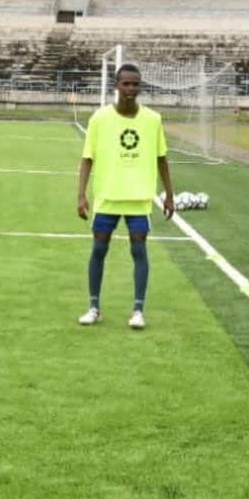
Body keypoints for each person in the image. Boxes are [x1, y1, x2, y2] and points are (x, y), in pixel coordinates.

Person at [76, 63, 175, 330]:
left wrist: (169, 195)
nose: (131, 89)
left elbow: (161, 158)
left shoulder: (153, 119)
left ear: (140, 87)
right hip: (107, 195)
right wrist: (81, 196)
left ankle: (138, 311)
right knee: (99, 249)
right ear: (116, 86)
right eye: (126, 84)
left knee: (138, 250)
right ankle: (94, 307)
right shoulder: (99, 118)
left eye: (135, 84)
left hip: (139, 197)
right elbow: (87, 158)